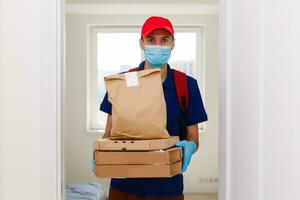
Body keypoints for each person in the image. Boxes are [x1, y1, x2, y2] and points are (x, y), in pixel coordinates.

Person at [99, 16, 208, 200]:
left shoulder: (186, 85)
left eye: (164, 40)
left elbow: (193, 137)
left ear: (173, 43)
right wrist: (101, 153)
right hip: (124, 185)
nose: (158, 46)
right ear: (141, 43)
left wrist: (190, 146)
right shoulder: (121, 83)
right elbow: (109, 133)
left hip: (167, 188)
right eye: (151, 40)